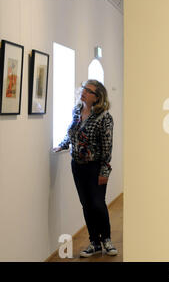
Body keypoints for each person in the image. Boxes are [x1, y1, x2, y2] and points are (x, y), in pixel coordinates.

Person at [53, 79, 118, 257]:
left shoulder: (104, 117)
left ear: (97, 97)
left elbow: (107, 147)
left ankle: (106, 239)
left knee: (98, 204)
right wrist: (63, 145)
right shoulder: (77, 110)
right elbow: (73, 133)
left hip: (95, 167)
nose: (84, 92)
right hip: (78, 166)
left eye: (89, 91)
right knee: (86, 205)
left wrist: (105, 171)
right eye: (84, 89)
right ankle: (94, 242)